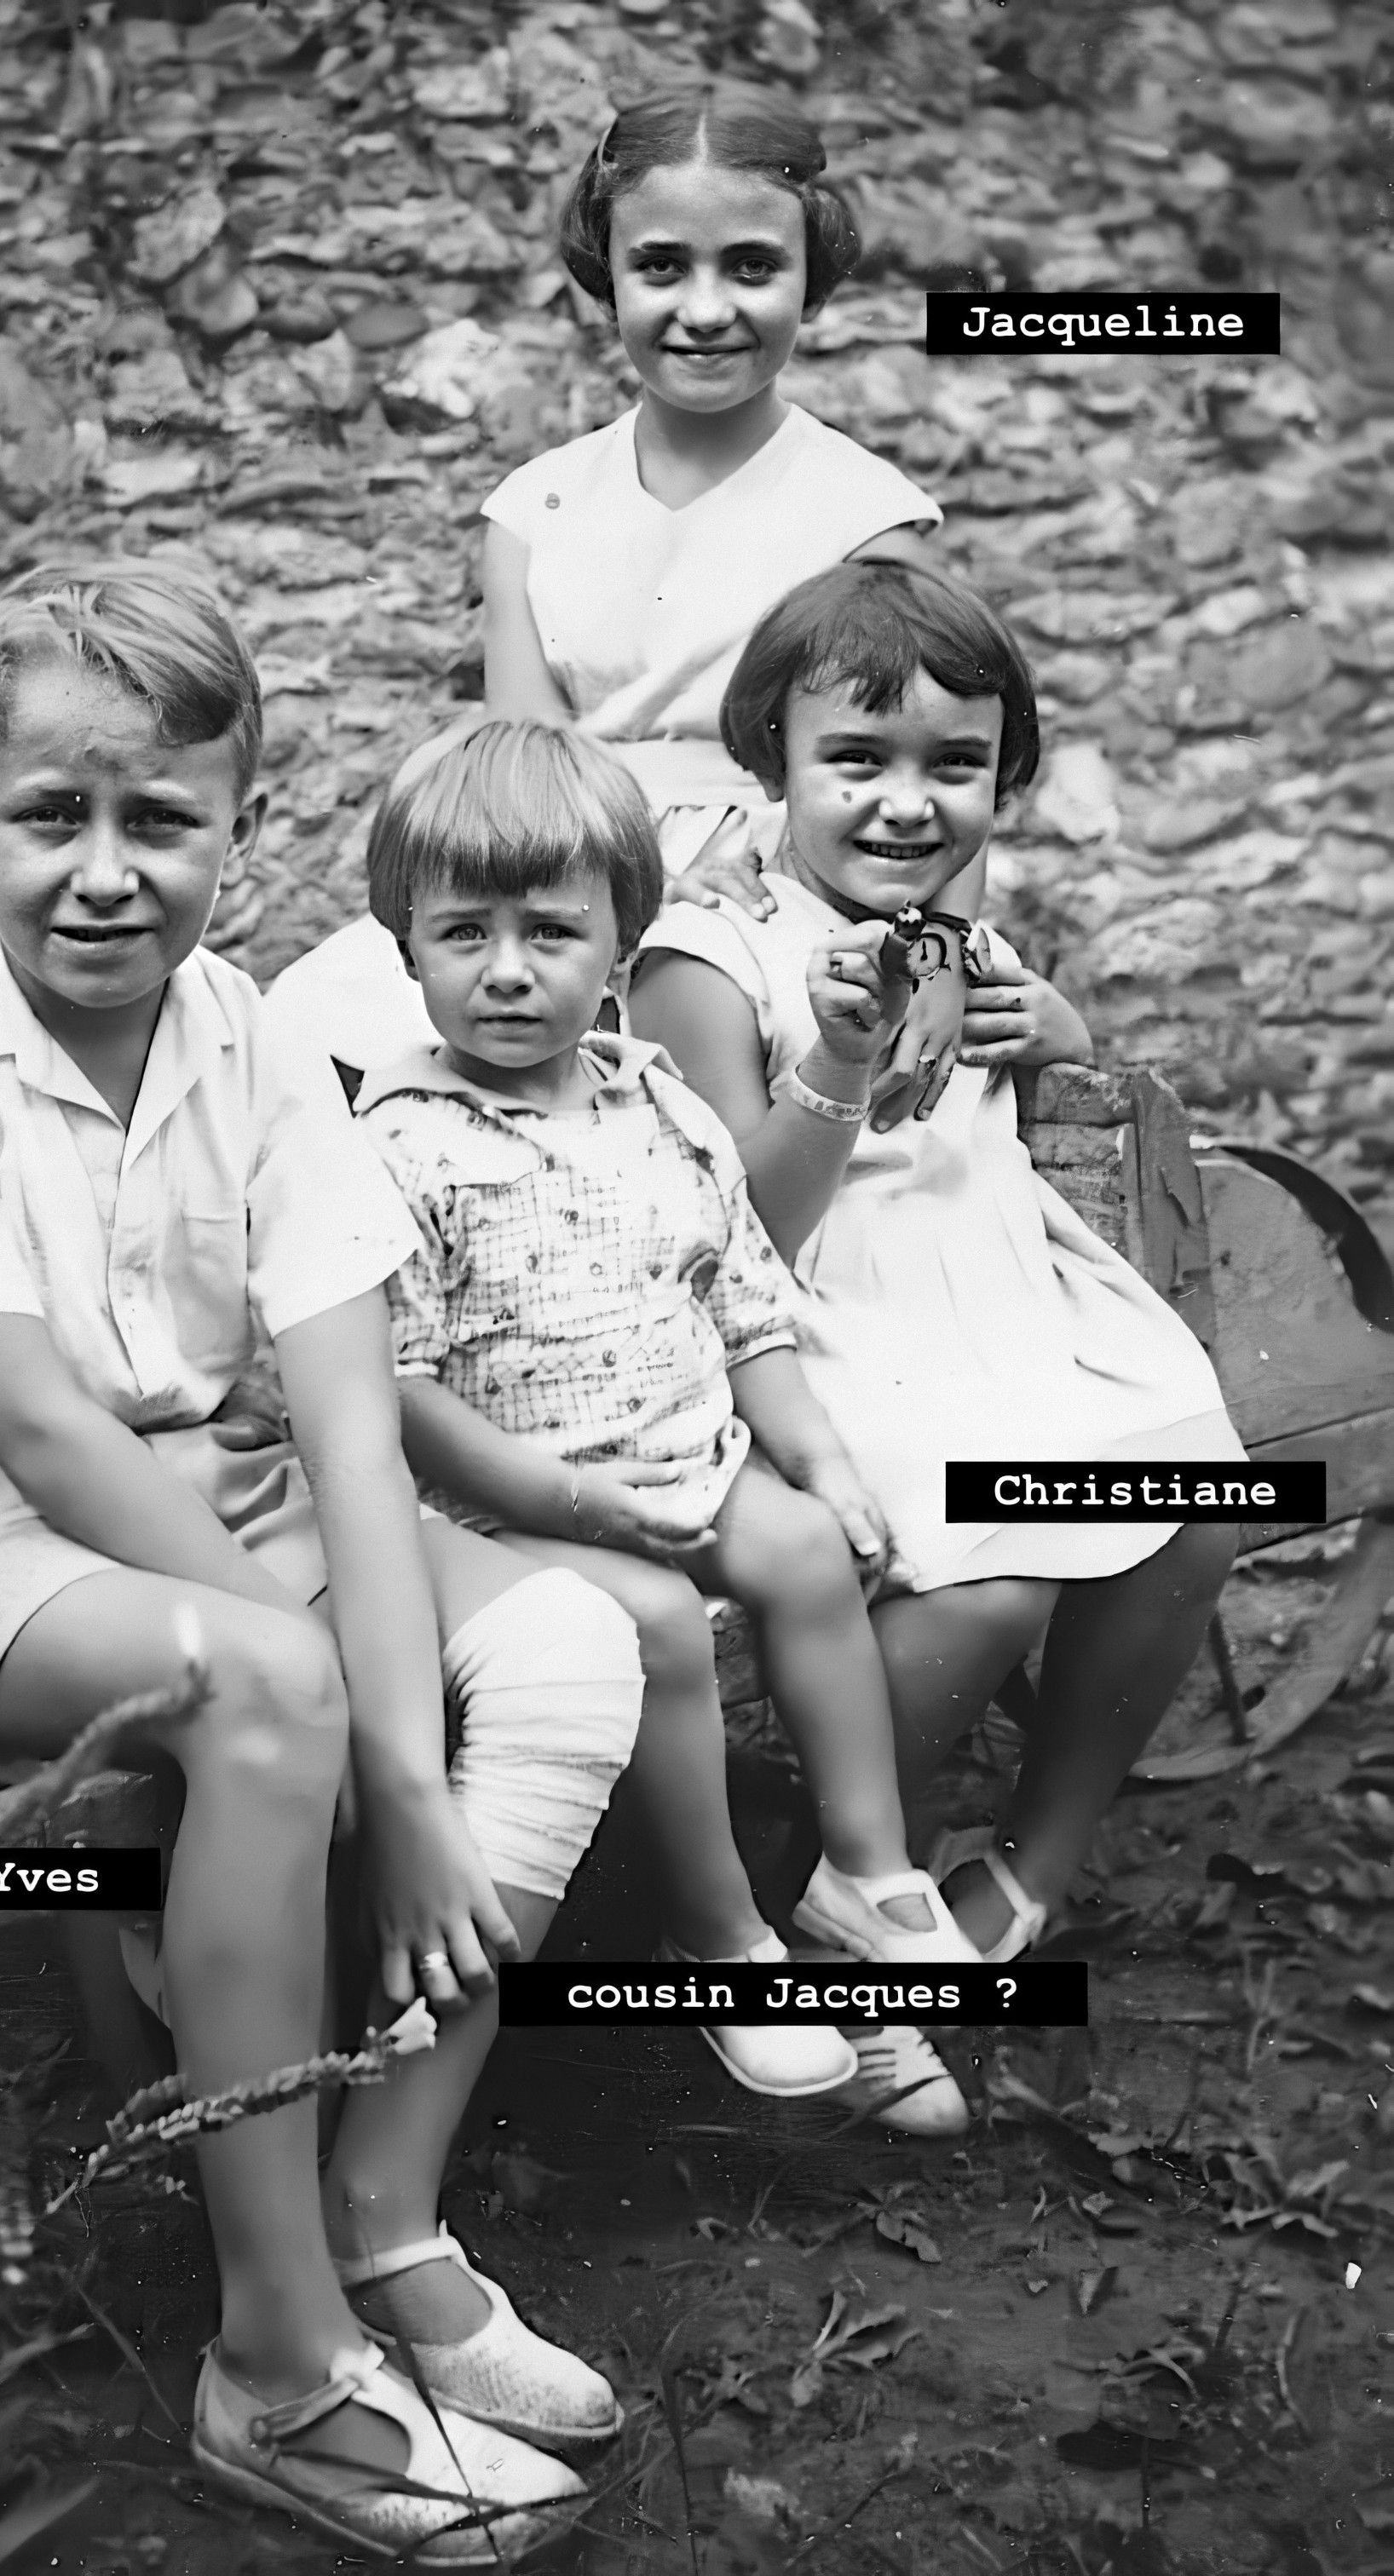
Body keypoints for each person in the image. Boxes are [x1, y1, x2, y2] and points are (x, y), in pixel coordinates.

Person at [0, 560, 657, 2562]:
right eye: (48, 817)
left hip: (210, 1491)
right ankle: (276, 2361)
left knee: (571, 1642)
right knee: (267, 1697)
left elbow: (345, 1421)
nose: (105, 872)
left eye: (161, 820)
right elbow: (42, 1437)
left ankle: (383, 2216)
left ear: (240, 834)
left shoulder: (246, 1037)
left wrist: (410, 1774)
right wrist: (365, 1744)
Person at [354, 717, 982, 2138]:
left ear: (622, 946)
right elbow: (399, 1385)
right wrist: (566, 1503)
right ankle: (722, 1934)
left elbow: (744, 1305)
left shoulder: (661, 1107)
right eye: (463, 932)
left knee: (810, 1548)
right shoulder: (401, 1141)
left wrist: (817, 1457)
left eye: (551, 931)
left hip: (687, 1455)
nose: (506, 969)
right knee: (654, 1626)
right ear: (406, 946)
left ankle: (866, 1872)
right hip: (508, 1507)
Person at [631, 559, 1246, 1964]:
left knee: (1195, 1506)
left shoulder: (954, 935)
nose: (907, 803)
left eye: (953, 765)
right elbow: (735, 1235)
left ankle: (1034, 1862)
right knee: (988, 1581)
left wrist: (1058, 1035)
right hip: (820, 1325)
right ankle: (835, 1877)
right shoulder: (709, 954)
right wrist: (839, 1066)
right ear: (772, 756)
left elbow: (1022, 1101)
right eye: (857, 758)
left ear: (999, 774)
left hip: (1002, 1292)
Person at [270, 83, 972, 1126]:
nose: (706, 309)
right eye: (661, 267)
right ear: (609, 274)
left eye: (752, 267)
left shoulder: (863, 516)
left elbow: (942, 763)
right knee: (321, 1008)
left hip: (781, 882)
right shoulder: (536, 509)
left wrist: (944, 953)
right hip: (571, 872)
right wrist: (621, 886)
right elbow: (524, 769)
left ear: (811, 276)